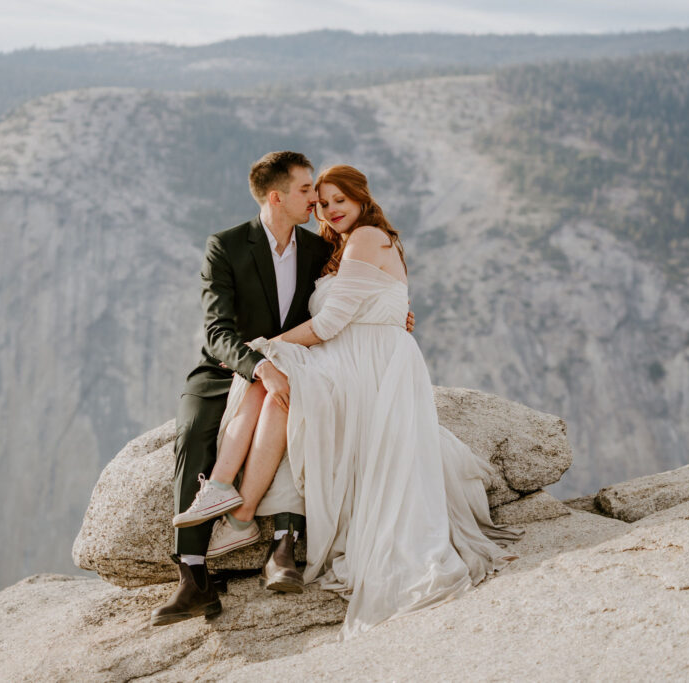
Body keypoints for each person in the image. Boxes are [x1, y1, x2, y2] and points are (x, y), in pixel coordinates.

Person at [176, 164, 523, 639]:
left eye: (339, 199)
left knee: (282, 381)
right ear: (285, 199)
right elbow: (359, 302)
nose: (328, 209)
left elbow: (334, 319)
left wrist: (267, 346)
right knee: (271, 383)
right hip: (349, 356)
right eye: (320, 200)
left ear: (361, 197)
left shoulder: (361, 238)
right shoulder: (327, 246)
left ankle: (241, 512)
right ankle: (213, 535)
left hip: (366, 363)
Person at [151, 152, 415, 626]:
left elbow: (346, 305)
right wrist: (258, 363)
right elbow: (216, 332)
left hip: (298, 361)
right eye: (307, 190)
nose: (316, 199)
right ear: (277, 197)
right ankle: (192, 575)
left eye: (321, 191)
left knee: (299, 409)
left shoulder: (319, 250)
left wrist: (393, 314)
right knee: (192, 434)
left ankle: (283, 548)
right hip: (227, 366)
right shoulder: (226, 246)